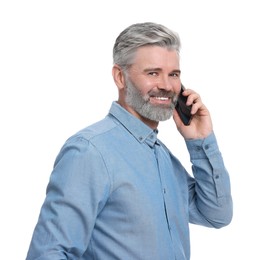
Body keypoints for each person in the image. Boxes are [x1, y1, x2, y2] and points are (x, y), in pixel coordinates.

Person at [26, 22, 233, 260]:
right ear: (120, 77)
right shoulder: (89, 151)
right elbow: (48, 253)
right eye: (153, 73)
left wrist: (200, 140)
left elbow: (216, 215)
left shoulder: (162, 157)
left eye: (173, 74)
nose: (166, 85)